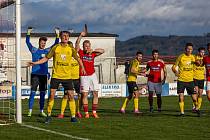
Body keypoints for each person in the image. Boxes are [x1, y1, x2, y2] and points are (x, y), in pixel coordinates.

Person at [29, 31, 86, 123]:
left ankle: (73, 117)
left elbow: (78, 58)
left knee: (71, 96)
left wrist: (82, 67)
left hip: (67, 77)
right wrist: (35, 63)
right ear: (60, 37)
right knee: (51, 95)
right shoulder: (56, 48)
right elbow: (46, 58)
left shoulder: (71, 49)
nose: (66, 37)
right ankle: (49, 115)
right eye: (64, 36)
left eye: (67, 36)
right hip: (56, 76)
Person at [26, 27, 60, 117]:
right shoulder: (34, 50)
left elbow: (56, 44)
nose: (43, 44)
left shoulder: (47, 51)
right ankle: (30, 111)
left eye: (44, 43)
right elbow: (27, 42)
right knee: (32, 93)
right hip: (35, 75)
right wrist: (28, 33)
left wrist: (57, 35)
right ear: (39, 43)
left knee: (42, 94)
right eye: (42, 43)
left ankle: (41, 111)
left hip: (44, 76)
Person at [75, 31, 105, 118]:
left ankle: (94, 112)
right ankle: (86, 113)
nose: (87, 47)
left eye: (88, 46)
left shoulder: (93, 54)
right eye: (85, 46)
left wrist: (93, 50)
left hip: (92, 75)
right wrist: (80, 35)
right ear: (83, 47)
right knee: (84, 94)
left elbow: (103, 51)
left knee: (95, 93)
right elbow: (77, 44)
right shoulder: (80, 52)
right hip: (84, 76)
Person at [172, 43, 200, 116]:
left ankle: (197, 108)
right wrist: (175, 71)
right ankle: (182, 112)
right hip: (181, 80)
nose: (189, 50)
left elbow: (199, 64)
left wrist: (197, 62)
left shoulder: (193, 57)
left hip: (190, 81)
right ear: (185, 49)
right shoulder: (181, 57)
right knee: (181, 97)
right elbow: (174, 66)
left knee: (194, 98)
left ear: (192, 50)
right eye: (188, 49)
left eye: (190, 49)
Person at [57, 41, 83, 119]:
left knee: (79, 95)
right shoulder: (66, 57)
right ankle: (61, 113)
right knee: (66, 96)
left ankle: (77, 111)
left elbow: (78, 44)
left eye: (72, 47)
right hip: (69, 79)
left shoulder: (77, 56)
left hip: (77, 79)